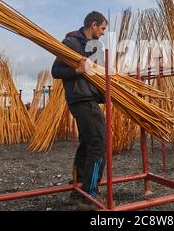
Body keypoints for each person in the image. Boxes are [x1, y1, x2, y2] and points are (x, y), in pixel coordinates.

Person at [51, 11, 108, 209]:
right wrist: (77, 70)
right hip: (81, 99)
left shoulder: (94, 47)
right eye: (102, 28)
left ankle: (77, 190)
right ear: (93, 25)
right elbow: (56, 71)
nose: (103, 33)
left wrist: (108, 92)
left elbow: (96, 78)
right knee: (99, 143)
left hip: (89, 98)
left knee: (87, 144)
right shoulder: (71, 43)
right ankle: (89, 194)